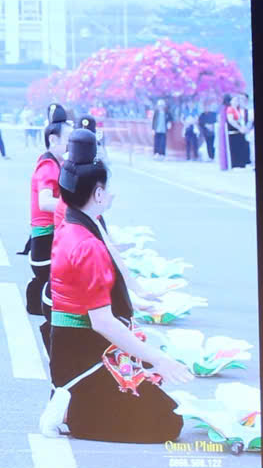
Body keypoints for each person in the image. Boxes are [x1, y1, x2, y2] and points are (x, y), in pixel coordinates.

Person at [37, 131, 195, 442]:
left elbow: (108, 254)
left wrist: (138, 293)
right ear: (97, 193)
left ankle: (71, 397)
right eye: (108, 189)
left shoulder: (74, 220)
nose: (112, 194)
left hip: (73, 344)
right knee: (167, 423)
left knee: (163, 407)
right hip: (83, 352)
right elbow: (102, 322)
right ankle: (70, 406)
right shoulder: (86, 244)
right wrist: (159, 358)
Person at [20, 108, 70, 351]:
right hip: (45, 233)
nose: (71, 146)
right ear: (53, 139)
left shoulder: (56, 163)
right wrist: (74, 207)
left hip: (50, 231)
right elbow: (44, 202)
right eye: (69, 140)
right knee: (51, 278)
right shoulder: (48, 167)